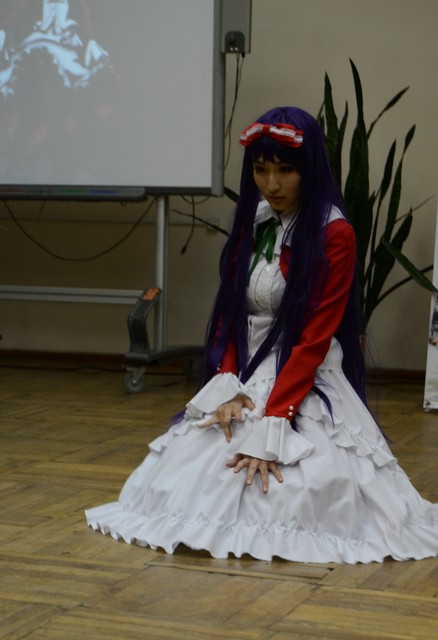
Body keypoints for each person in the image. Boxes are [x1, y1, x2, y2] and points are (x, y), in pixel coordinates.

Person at [86, 106, 437, 563]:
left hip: (303, 370)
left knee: (298, 478)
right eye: (260, 169)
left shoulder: (334, 233)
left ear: (308, 169)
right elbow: (232, 313)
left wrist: (276, 420)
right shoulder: (254, 220)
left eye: (285, 170)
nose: (271, 184)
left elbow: (314, 338)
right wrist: (229, 386)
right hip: (247, 367)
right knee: (201, 456)